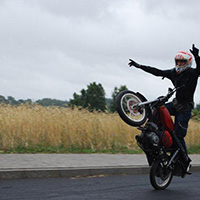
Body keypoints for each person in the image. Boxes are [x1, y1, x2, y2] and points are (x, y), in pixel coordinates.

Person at [128, 44, 200, 172]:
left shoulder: (192, 73)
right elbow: (157, 72)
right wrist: (140, 66)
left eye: (182, 61)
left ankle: (186, 160)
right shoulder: (173, 72)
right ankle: (152, 134)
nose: (179, 63)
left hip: (185, 109)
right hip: (175, 103)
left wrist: (197, 56)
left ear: (188, 62)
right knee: (157, 109)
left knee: (178, 135)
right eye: (177, 61)